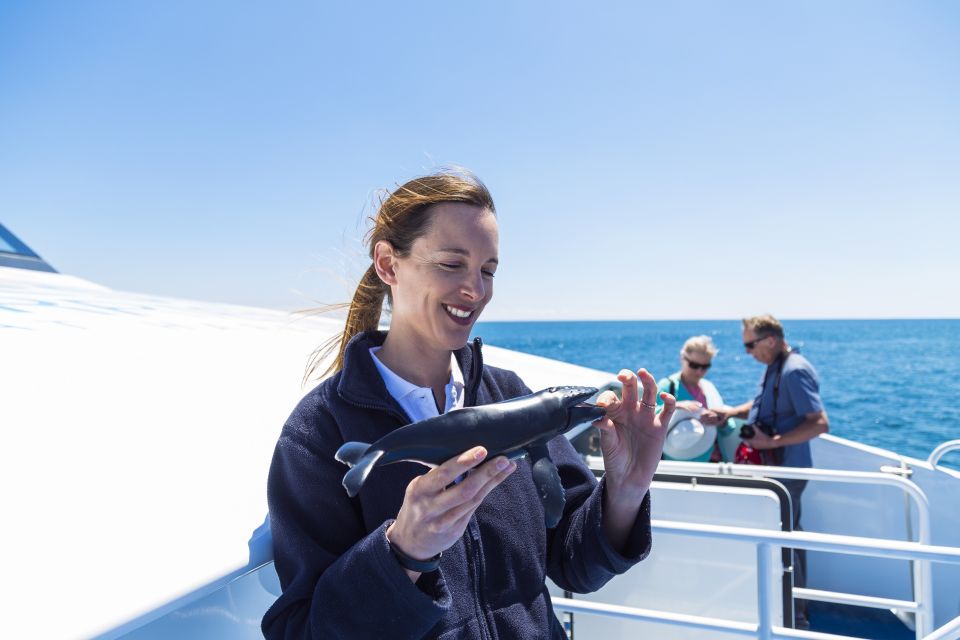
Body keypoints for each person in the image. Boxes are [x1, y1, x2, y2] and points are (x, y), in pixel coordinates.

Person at [261, 170, 677, 639]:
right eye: (451, 264)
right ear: (388, 265)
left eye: (488, 270)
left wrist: (625, 487)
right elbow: (300, 631)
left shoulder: (512, 394)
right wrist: (401, 553)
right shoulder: (319, 432)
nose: (475, 291)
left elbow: (575, 565)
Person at [719, 314, 829, 628]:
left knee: (788, 537)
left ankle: (796, 615)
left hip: (786, 473)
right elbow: (765, 404)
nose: (748, 352)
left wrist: (772, 442)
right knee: (784, 534)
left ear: (770, 340)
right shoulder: (777, 367)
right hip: (776, 471)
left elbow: (819, 422)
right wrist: (730, 412)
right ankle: (789, 607)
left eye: (750, 345)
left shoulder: (794, 371)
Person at [656, 335, 736, 462]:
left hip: (712, 464)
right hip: (677, 466)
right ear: (682, 359)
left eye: (705, 367)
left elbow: (728, 428)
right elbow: (648, 420)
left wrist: (720, 421)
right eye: (694, 365)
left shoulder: (709, 389)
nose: (699, 371)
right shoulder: (667, 386)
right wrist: (675, 406)